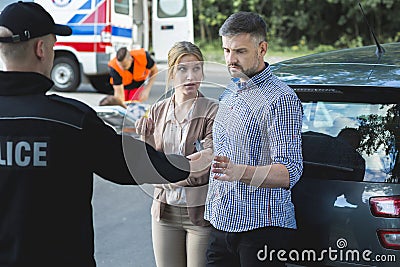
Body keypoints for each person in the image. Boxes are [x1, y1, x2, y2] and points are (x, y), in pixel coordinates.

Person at [0, 2, 210, 267]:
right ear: (41, 49)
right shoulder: (71, 121)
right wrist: (187, 165)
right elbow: (129, 164)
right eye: (53, 45)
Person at [204, 12, 303, 267]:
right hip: (222, 223)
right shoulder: (231, 90)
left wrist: (239, 171)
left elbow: (289, 172)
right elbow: (226, 151)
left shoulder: (281, 99)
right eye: (226, 50)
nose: (230, 60)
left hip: (262, 230)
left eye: (239, 51)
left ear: (262, 49)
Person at [135, 41, 218, 267]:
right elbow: (149, 162)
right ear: (171, 73)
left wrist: (166, 176)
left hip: (200, 214)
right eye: (182, 69)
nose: (190, 75)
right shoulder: (157, 110)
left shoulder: (212, 110)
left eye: (196, 68)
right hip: (164, 211)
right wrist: (147, 138)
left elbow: (206, 163)